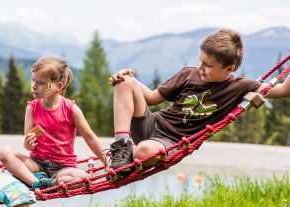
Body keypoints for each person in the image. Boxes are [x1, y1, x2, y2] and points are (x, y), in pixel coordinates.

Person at [107, 28, 290, 177]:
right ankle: (121, 147)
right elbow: (152, 98)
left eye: (208, 65)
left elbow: (283, 90)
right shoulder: (189, 74)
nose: (201, 67)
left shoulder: (239, 86)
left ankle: (129, 157)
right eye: (200, 60)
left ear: (229, 68)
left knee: (143, 152)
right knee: (125, 81)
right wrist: (129, 79)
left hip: (173, 142)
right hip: (152, 123)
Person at [0, 56, 108, 191]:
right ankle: (37, 183)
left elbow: (90, 138)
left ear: (58, 86)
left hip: (63, 167)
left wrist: (107, 162)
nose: (33, 86)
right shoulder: (32, 108)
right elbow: (30, 146)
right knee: (4, 152)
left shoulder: (71, 109)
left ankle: (44, 182)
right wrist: (27, 144)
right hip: (37, 165)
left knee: (83, 179)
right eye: (33, 80)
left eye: (40, 83)